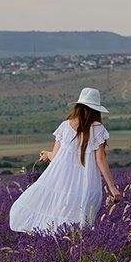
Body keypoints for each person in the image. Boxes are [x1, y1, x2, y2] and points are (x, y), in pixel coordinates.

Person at [9, 87, 122, 234]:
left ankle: (56, 242)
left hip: (62, 180)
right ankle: (75, 246)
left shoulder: (64, 126)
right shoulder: (98, 129)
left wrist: (48, 154)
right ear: (96, 109)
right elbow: (100, 159)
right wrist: (112, 187)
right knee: (81, 217)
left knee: (59, 212)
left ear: (78, 106)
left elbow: (56, 157)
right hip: (86, 181)